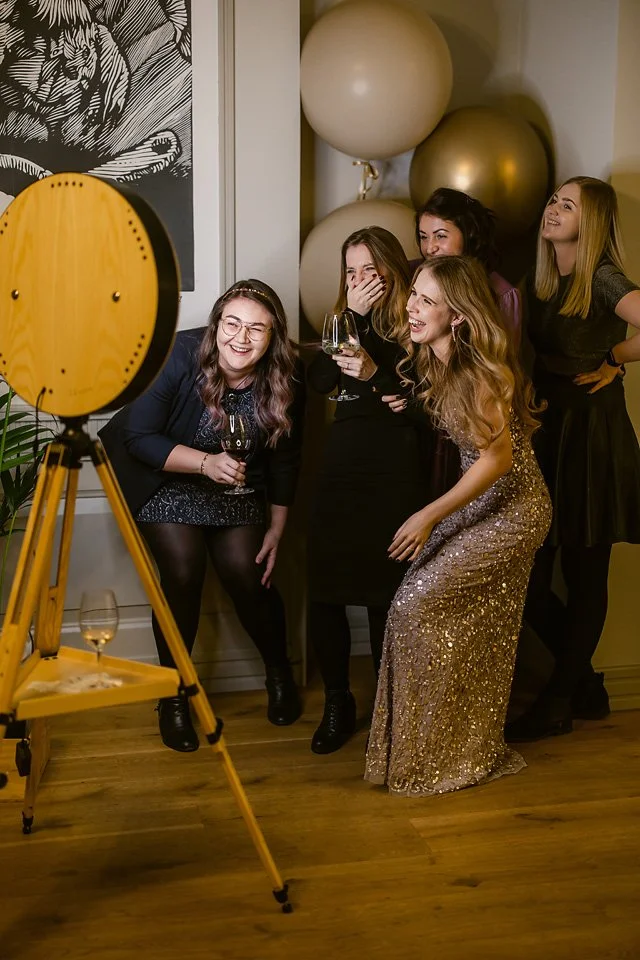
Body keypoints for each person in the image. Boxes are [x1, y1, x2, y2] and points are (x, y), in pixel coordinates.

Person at [364, 256, 551, 797]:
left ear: (459, 314)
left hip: (515, 509)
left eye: (426, 300)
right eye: (413, 295)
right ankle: (433, 749)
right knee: (423, 609)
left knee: (414, 605)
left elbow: (498, 459)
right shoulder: (435, 359)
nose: (411, 307)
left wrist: (428, 515)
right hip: (484, 499)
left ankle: (452, 755)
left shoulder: (478, 371)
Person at [99, 280, 306, 753]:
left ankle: (279, 672)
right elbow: (139, 436)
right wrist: (206, 463)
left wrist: (277, 527)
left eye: (257, 328)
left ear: (273, 336)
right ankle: (173, 694)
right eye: (232, 323)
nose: (241, 338)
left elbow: (286, 458)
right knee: (183, 571)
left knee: (248, 574)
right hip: (166, 474)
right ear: (216, 325)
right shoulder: (180, 354)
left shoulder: (287, 374)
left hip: (235, 482)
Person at [507, 177, 640, 741]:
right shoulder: (540, 277)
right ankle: (581, 681)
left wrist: (616, 355)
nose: (553, 210)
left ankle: (559, 699)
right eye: (553, 200)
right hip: (547, 426)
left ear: (594, 222)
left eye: (569, 205)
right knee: (531, 578)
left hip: (591, 433)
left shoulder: (603, 276)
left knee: (585, 573)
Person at [307, 226, 429, 755]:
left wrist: (378, 372)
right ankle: (337, 702)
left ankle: (387, 705)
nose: (359, 280)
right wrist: (351, 316)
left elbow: (429, 411)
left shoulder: (417, 319)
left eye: (369, 270)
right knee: (325, 588)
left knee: (384, 592)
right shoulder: (345, 320)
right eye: (350, 271)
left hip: (394, 468)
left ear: (391, 270)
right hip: (343, 461)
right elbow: (319, 380)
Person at [410, 187, 522, 499]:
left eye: (441, 236)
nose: (430, 247)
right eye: (423, 237)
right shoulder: (416, 276)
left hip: (476, 425)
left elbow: (502, 369)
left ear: (468, 235)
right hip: (427, 414)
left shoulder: (501, 294)